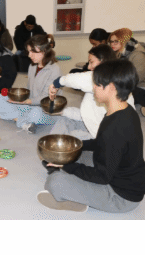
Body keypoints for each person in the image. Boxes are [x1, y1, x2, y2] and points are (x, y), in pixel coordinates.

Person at [39, 59, 145, 213]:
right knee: (71, 154)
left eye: (97, 84)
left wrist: (67, 166)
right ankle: (75, 183)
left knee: (55, 182)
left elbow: (102, 177)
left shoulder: (116, 128)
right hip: (118, 175)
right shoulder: (124, 110)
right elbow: (100, 143)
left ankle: (77, 198)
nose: (93, 87)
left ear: (111, 88)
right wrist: (76, 146)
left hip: (120, 197)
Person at [48, 44, 132, 141]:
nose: (89, 67)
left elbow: (78, 79)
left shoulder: (106, 82)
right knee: (64, 120)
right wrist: (64, 112)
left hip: (105, 138)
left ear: (103, 61)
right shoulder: (99, 87)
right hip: (95, 127)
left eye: (91, 62)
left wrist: (57, 83)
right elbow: (87, 114)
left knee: (70, 138)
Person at [0, 34, 60, 133]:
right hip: (31, 104)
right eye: (29, 51)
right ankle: (22, 121)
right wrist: (19, 97)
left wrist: (27, 102)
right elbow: (29, 89)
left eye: (33, 51)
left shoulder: (54, 70)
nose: (29, 55)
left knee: (36, 113)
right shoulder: (32, 66)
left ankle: (13, 118)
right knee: (1, 98)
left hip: (46, 110)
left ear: (44, 51)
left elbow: (46, 98)